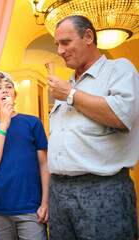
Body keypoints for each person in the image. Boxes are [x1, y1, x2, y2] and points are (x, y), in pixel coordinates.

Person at [47, 15, 139, 239]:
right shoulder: (66, 86)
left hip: (102, 190)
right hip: (58, 191)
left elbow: (121, 115)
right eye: (57, 45)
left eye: (66, 42)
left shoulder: (118, 69)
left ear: (88, 36)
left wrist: (70, 95)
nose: (60, 51)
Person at [0, 71, 50, 240]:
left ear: (14, 95)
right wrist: (4, 123)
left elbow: (44, 165)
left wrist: (46, 202)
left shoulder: (33, 123)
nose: (4, 90)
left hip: (32, 208)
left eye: (8, 87)